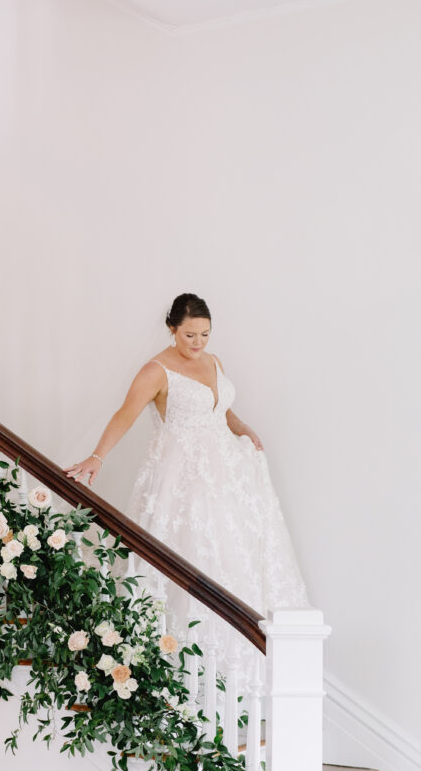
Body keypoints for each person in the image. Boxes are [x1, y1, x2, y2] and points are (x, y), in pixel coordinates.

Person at [63, 292, 310, 690]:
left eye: (205, 335)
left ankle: (237, 677)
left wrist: (242, 427)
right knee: (190, 560)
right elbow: (124, 415)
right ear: (171, 329)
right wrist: (97, 457)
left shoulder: (214, 362)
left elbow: (219, 408)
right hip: (183, 483)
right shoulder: (155, 371)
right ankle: (181, 679)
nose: (198, 343)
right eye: (190, 335)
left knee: (235, 560)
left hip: (228, 478)